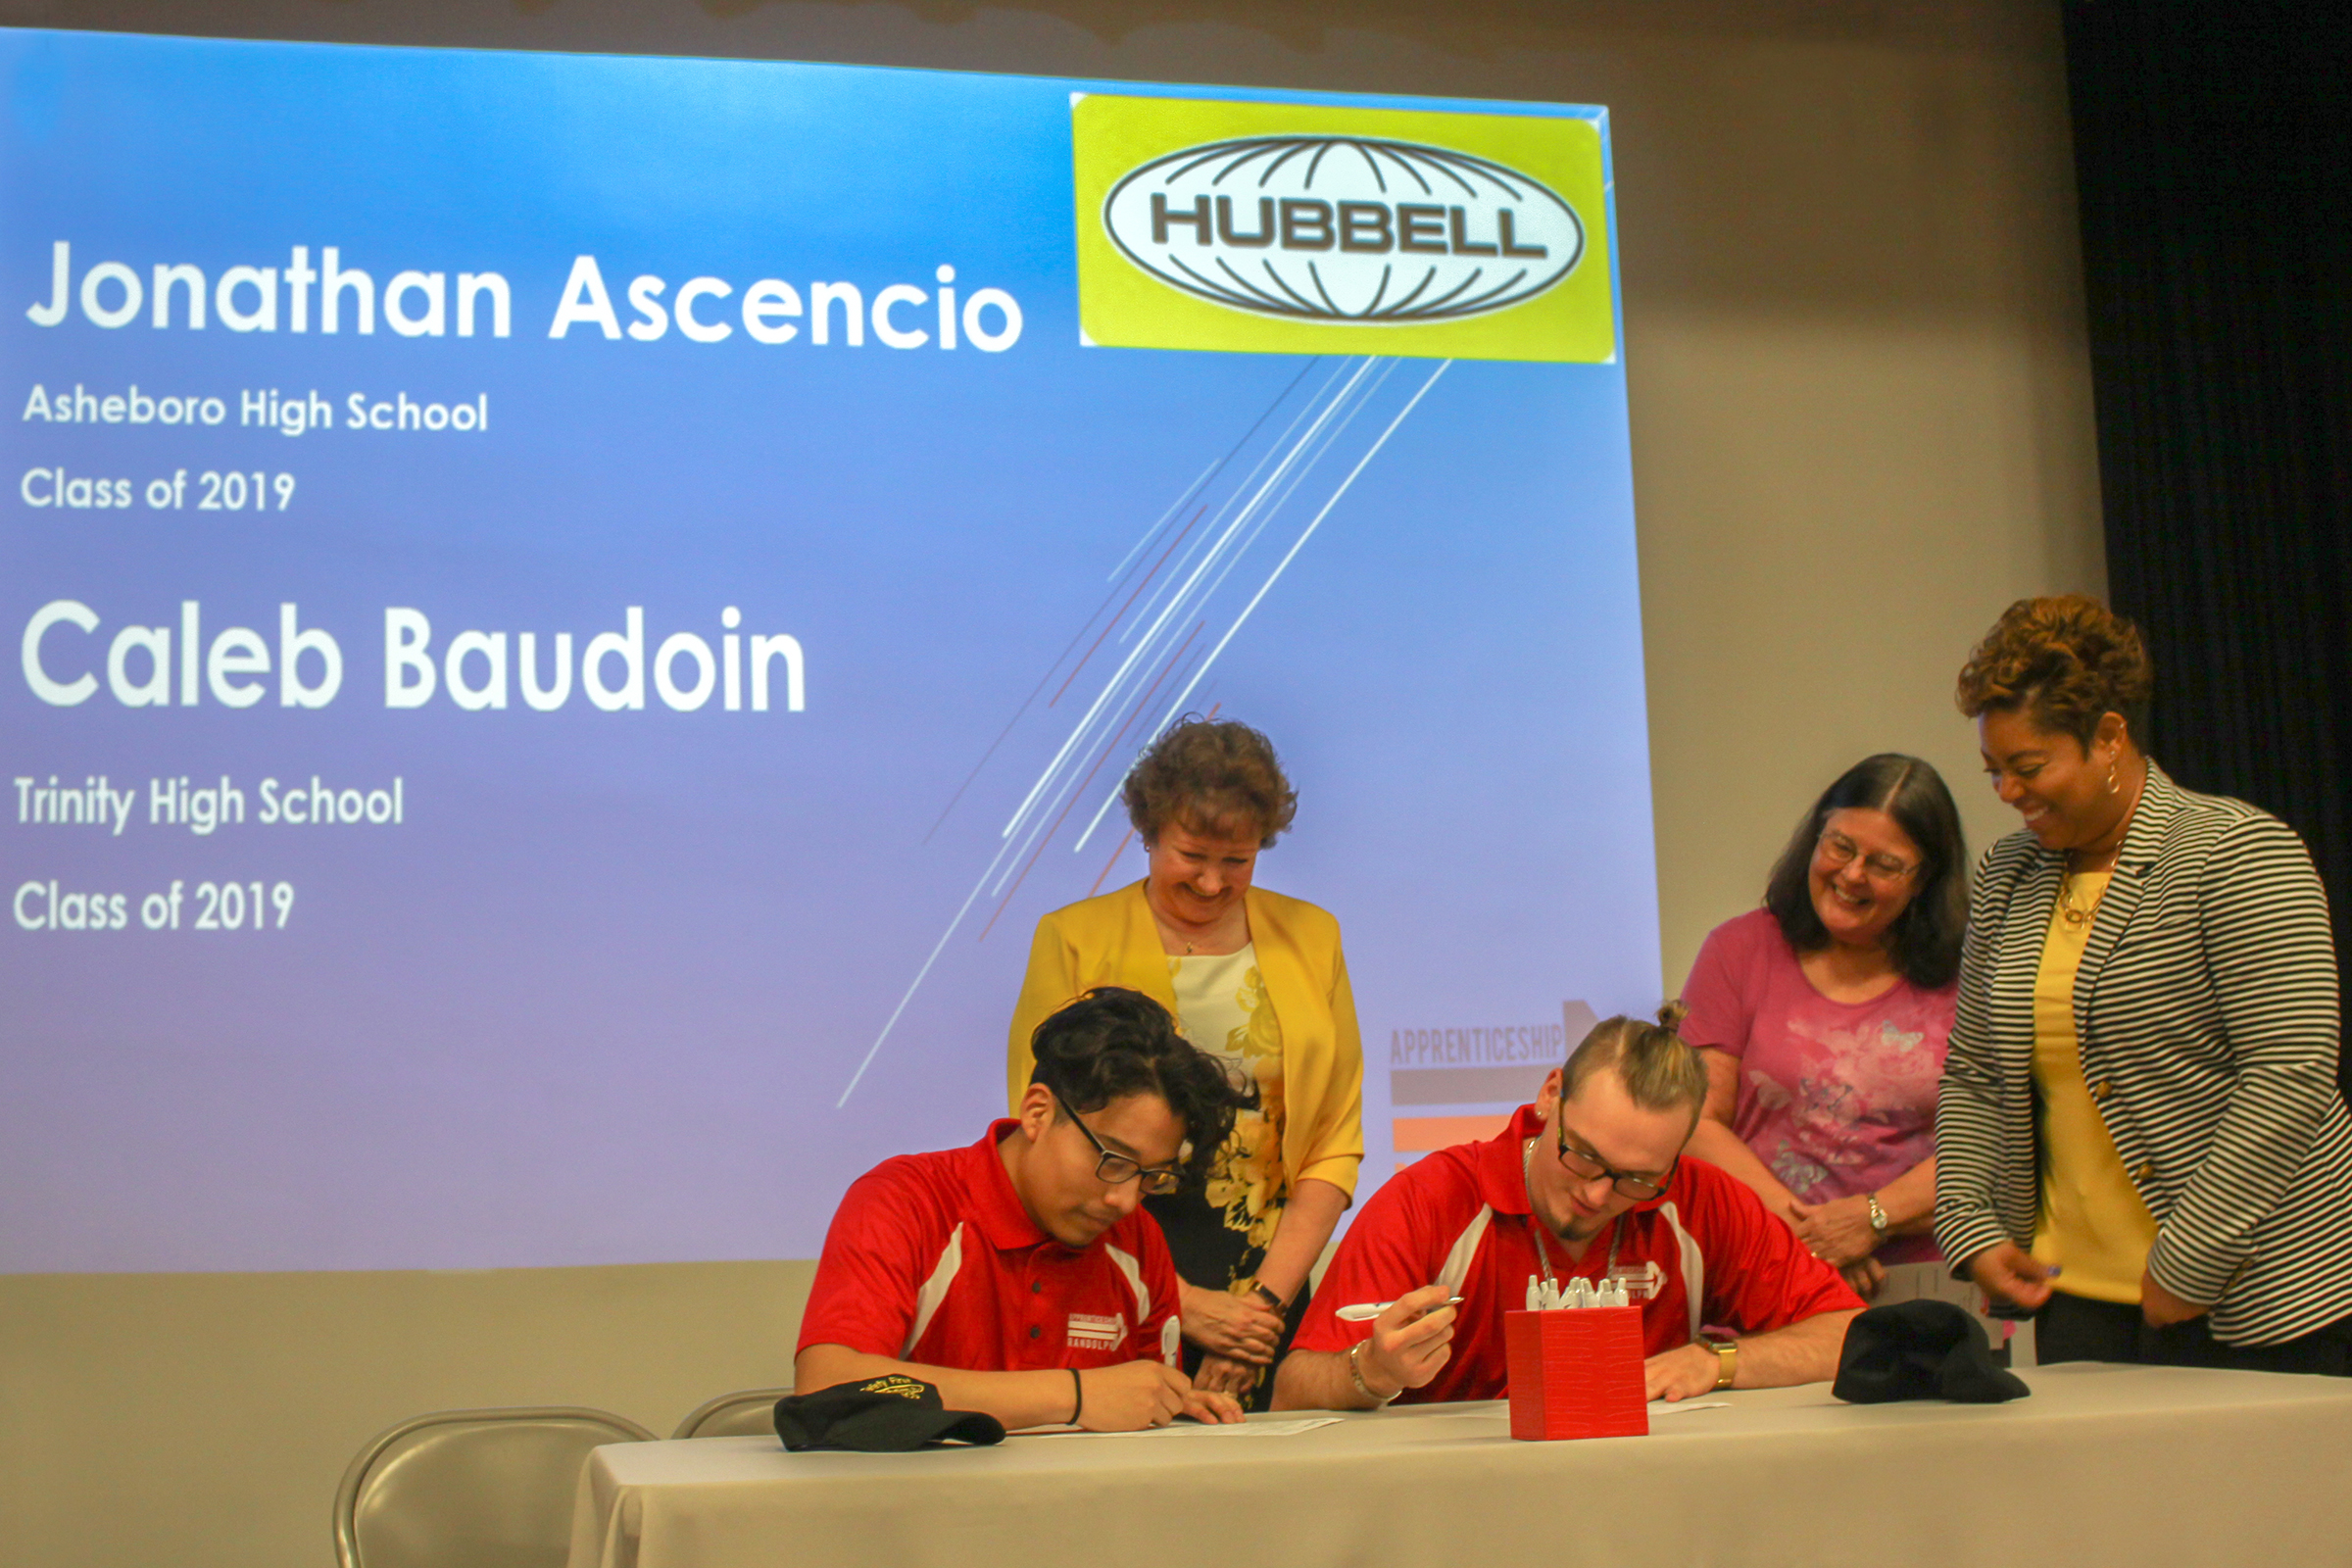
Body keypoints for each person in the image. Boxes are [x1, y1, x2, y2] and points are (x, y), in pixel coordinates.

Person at [1939, 594, 2352, 1372]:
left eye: (2029, 768)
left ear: (2108, 737)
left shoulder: (2239, 854)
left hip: (2261, 1297)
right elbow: (1972, 1073)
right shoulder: (2007, 877)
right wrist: (1971, 1223)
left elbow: (2289, 1075)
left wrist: (2189, 1260)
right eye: (1993, 772)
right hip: (2078, 1303)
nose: (2007, 794)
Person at [1009, 717, 1362, 1409]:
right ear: (1147, 834)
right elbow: (1045, 1138)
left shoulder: (1314, 937)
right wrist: (1183, 1303)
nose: (1210, 881)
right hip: (1111, 1277)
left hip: (1269, 1289)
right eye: (1192, 854)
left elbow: (1333, 1146)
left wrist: (1261, 1311)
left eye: (1238, 860)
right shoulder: (1072, 939)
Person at [1272, 1007, 1863, 1410]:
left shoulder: (1701, 1199)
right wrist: (1372, 1371)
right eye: (1582, 1156)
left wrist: (1718, 1361)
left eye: (1637, 1179)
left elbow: (1848, 1334)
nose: (1598, 1195)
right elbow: (1293, 1390)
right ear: (1551, 1094)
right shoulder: (1431, 1200)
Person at [797, 987, 1253, 1429]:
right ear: (1037, 1112)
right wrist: (1074, 1397)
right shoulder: (906, 1201)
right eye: (1112, 1160)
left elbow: (1144, 1417)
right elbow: (828, 1385)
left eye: (1153, 1176)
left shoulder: (1137, 1240)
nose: (1125, 1199)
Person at [1679, 755, 1966, 1299]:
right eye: (1840, 846)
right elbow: (1697, 1124)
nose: (1852, 874)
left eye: (1884, 864)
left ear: (1923, 880)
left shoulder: (1970, 973)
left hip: (1927, 1283)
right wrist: (1808, 1234)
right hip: (1764, 1268)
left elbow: (1990, 1142)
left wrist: (1870, 1220)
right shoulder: (1736, 951)